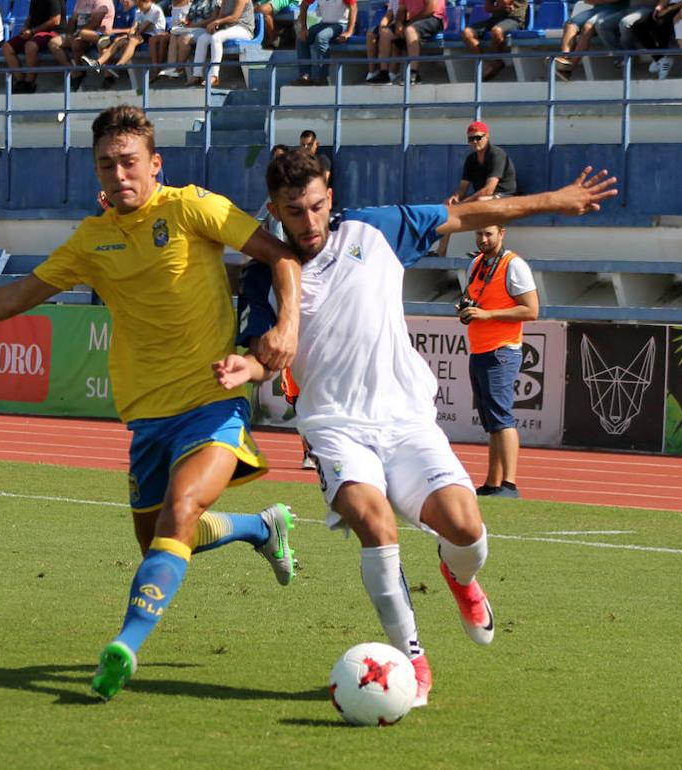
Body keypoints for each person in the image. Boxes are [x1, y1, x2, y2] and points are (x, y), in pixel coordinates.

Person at [0, 105, 304, 701]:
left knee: (180, 510)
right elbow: (19, 295)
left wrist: (286, 326)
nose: (119, 174)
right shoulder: (92, 239)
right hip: (147, 417)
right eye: (107, 164)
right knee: (163, 535)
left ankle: (125, 646)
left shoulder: (191, 208)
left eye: (130, 162)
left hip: (214, 398)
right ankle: (262, 529)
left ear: (155, 164)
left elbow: (281, 256)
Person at [214, 150, 616, 707]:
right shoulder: (264, 275)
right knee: (376, 527)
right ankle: (412, 660)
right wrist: (248, 367)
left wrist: (557, 200)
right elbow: (267, 354)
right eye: (294, 212)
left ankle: (460, 577)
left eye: (316, 207)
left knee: (467, 530)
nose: (308, 223)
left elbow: (466, 216)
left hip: (406, 420)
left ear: (329, 195)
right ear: (275, 209)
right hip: (335, 428)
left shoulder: (375, 231)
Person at [458, 224, 537, 497]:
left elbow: (531, 310)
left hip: (502, 350)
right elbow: (478, 300)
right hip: (480, 348)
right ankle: (493, 482)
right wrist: (468, 311)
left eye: (488, 233)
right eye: (478, 233)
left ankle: (510, 484)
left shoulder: (514, 265)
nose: (482, 238)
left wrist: (487, 315)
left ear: (502, 233)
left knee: (502, 418)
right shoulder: (476, 264)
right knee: (491, 420)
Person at [436, 121, 516, 256]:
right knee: (447, 207)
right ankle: (440, 252)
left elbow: (489, 189)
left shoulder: (496, 155)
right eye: (471, 139)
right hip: (482, 197)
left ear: (487, 136)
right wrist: (454, 198)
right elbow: (462, 188)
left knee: (483, 200)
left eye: (478, 137)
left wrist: (464, 203)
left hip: (505, 196)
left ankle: (486, 250)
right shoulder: (471, 159)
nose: (474, 141)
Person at [83, 0, 160, 88]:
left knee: (128, 42)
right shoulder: (138, 11)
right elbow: (134, 28)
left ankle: (119, 66)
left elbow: (142, 29)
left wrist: (128, 35)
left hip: (149, 36)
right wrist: (128, 34)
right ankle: (98, 64)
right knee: (109, 43)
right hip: (135, 36)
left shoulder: (153, 10)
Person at [48, 0, 115, 91]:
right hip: (78, 34)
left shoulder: (103, 1)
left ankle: (81, 70)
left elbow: (95, 23)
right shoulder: (81, 1)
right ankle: (75, 73)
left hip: (95, 35)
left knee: (77, 43)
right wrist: (69, 34)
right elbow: (73, 20)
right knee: (53, 43)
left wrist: (77, 34)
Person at [554, 0, 629, 81]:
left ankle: (571, 66)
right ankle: (564, 59)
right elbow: (588, 1)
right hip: (597, 9)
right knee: (570, 25)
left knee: (587, 27)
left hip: (616, 10)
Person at [1, 0, 64, 94]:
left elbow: (56, 20)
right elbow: (31, 16)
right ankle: (21, 82)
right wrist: (25, 28)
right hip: (33, 32)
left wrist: (33, 31)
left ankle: (30, 83)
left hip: (51, 32)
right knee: (7, 47)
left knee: (30, 46)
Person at [189, 0, 255, 87]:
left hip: (244, 29)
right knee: (202, 39)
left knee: (216, 38)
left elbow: (234, 17)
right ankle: (197, 75)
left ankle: (214, 76)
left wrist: (217, 22)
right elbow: (221, 16)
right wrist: (215, 27)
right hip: (228, 28)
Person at [460, 0, 528, 82]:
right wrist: (500, 7)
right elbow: (488, 8)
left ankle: (496, 61)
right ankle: (484, 65)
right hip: (495, 19)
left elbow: (505, 2)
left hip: (514, 19)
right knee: (466, 33)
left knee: (496, 31)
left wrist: (499, 7)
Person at [292, 0, 356, 86]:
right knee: (302, 39)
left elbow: (354, 7)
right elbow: (304, 5)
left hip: (342, 24)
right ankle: (305, 76)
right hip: (324, 23)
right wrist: (303, 28)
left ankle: (322, 77)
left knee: (321, 37)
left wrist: (349, 31)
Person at [381, 0, 445, 85]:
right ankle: (384, 73)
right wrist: (399, 23)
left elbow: (431, 8)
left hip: (434, 18)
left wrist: (409, 23)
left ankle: (414, 73)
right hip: (415, 20)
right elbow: (401, 10)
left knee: (410, 30)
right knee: (385, 32)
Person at [161, 0, 218, 78]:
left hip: (204, 28)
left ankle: (178, 68)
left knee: (183, 39)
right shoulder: (196, 1)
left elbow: (214, 18)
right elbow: (189, 17)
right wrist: (185, 21)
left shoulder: (213, 2)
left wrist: (196, 24)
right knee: (173, 35)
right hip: (192, 27)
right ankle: (171, 67)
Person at [363, 0, 399, 82]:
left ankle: (387, 72)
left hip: (403, 23)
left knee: (387, 34)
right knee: (370, 34)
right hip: (392, 22)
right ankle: (372, 72)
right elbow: (390, 12)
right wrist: (383, 22)